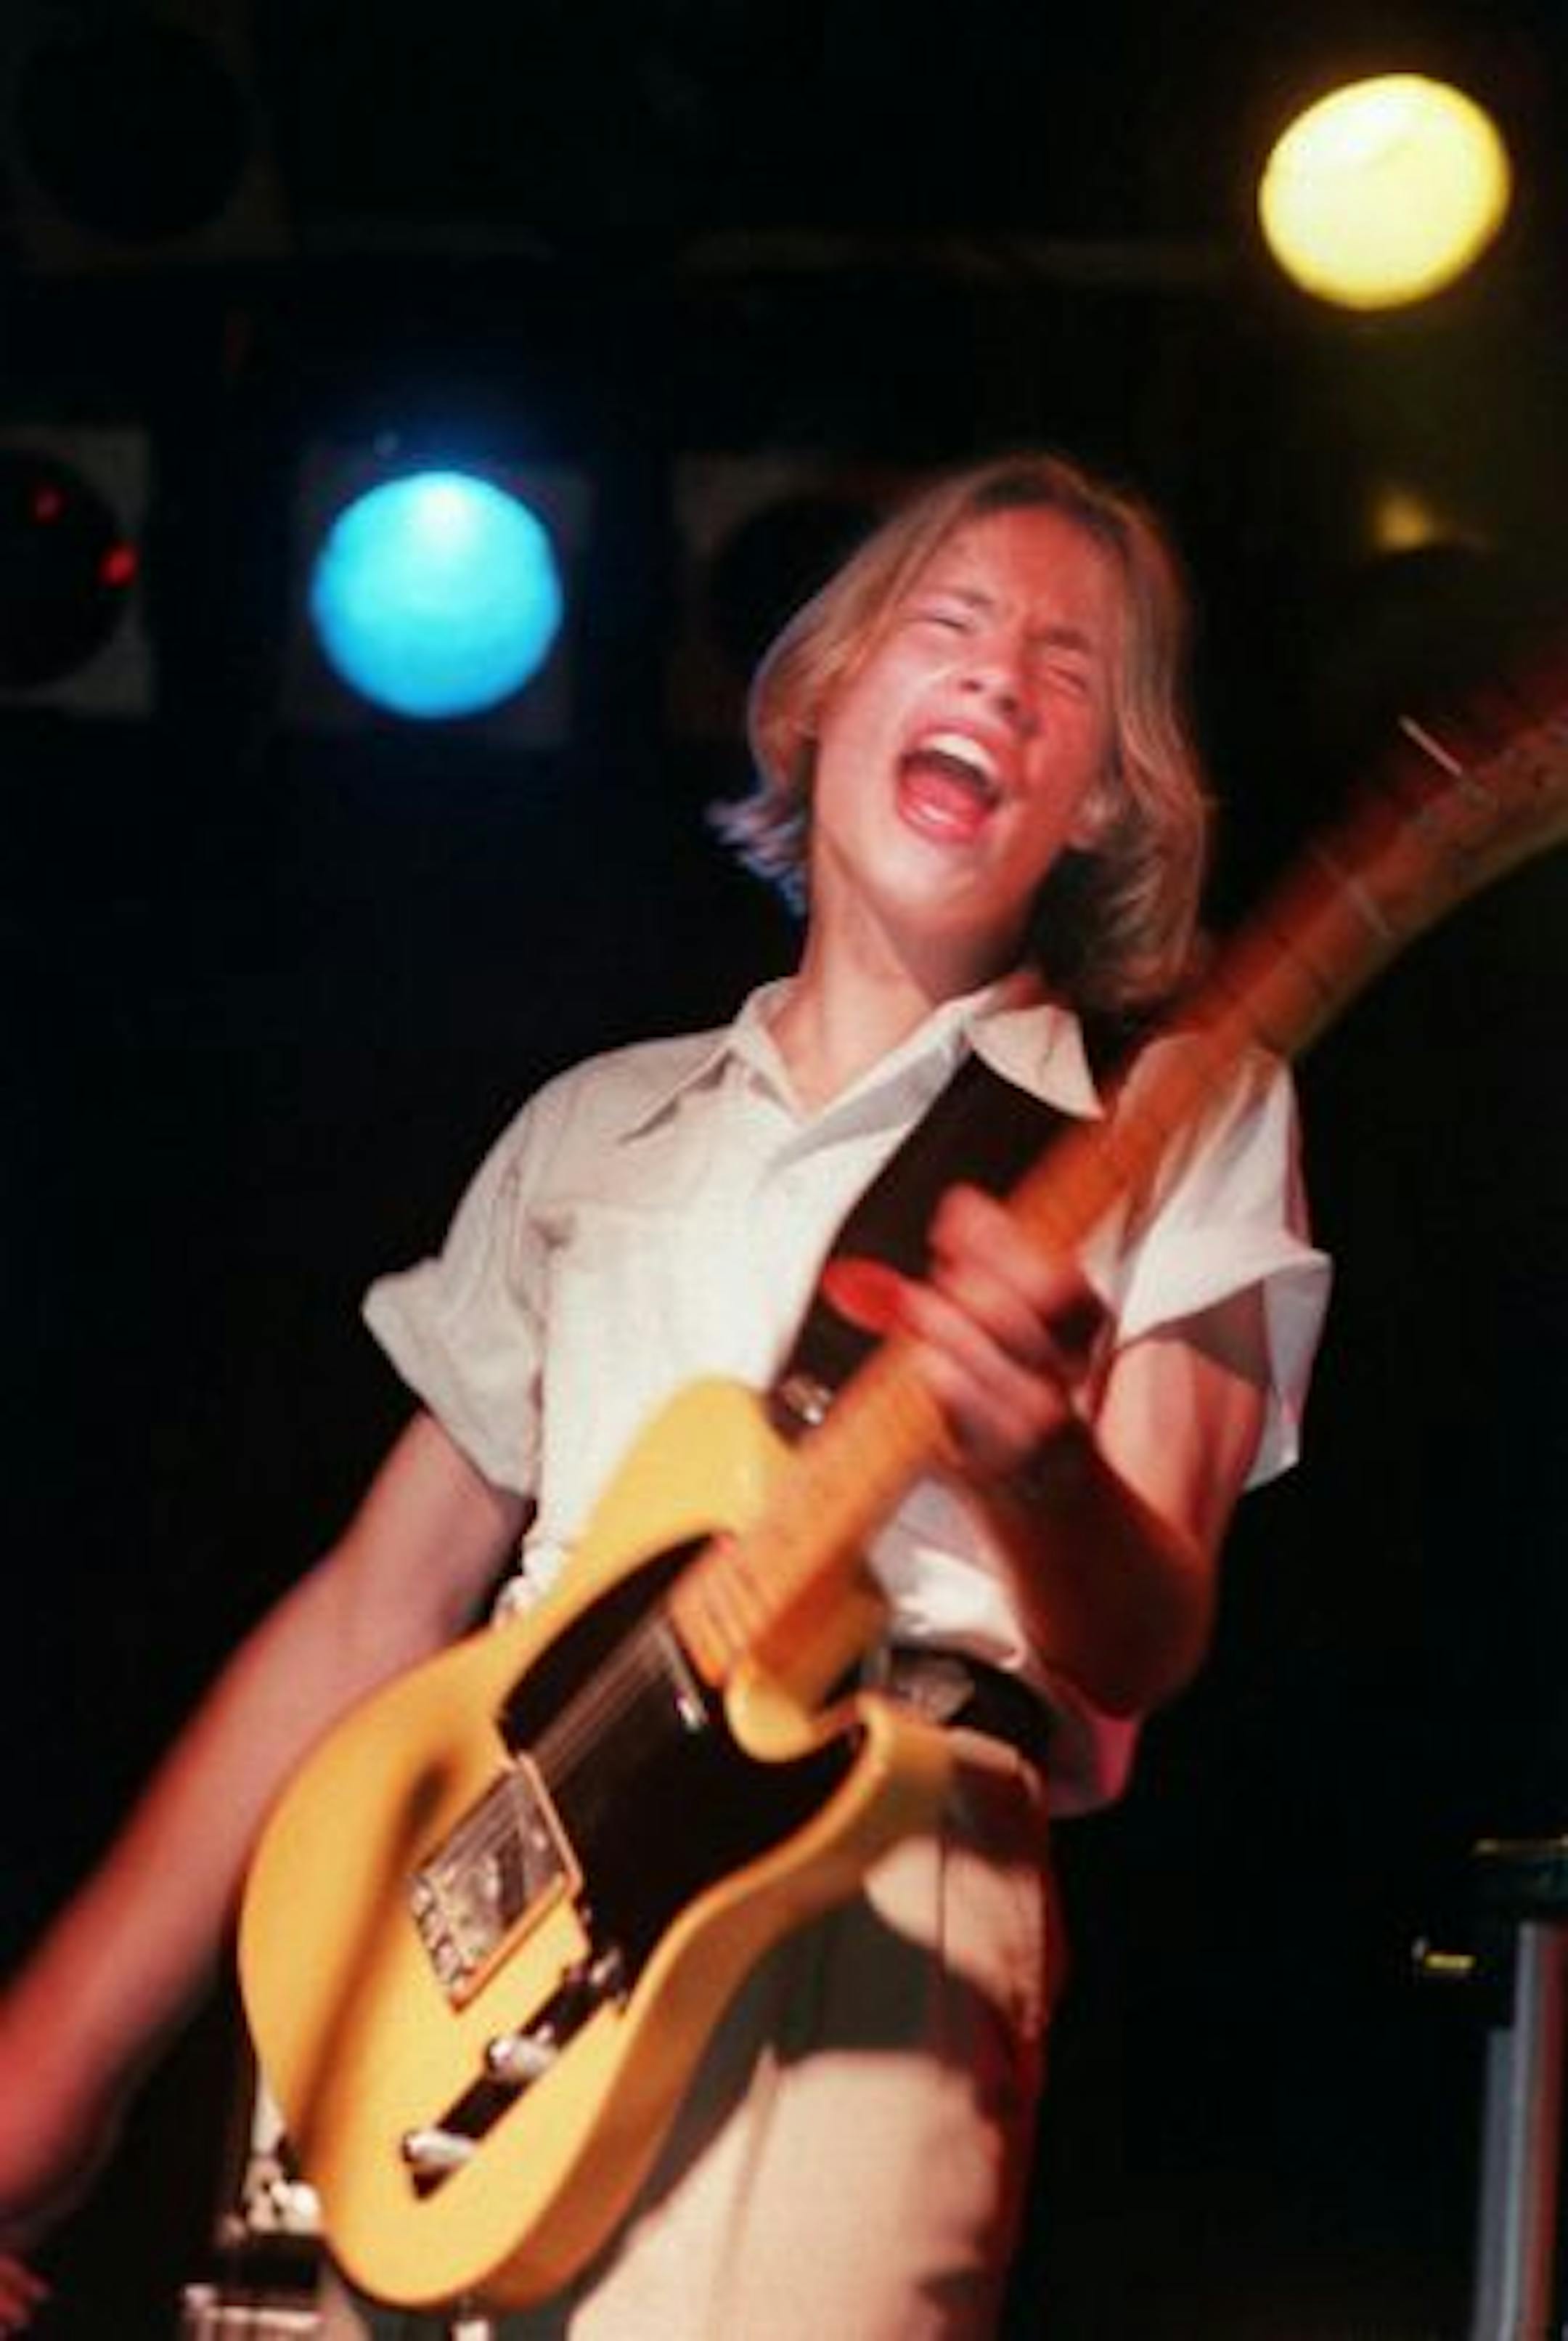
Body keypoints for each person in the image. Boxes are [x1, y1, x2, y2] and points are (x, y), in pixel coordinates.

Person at [0, 451, 1328, 2337]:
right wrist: (49, 2082)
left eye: (1067, 675)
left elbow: (1135, 1646)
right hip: (473, 1918)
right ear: (821, 697)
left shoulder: (1177, 1111)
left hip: (863, 1901)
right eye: (947, 628)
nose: (999, 682)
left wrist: (1033, 1468)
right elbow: (374, 1616)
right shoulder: (593, 1128)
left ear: (1105, 798)